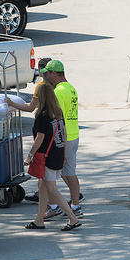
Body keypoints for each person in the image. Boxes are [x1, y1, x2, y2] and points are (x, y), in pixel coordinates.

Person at [23, 83, 81, 231]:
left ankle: (73, 218)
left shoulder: (42, 115)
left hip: (46, 157)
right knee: (42, 187)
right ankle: (39, 220)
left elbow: (40, 138)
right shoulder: (58, 112)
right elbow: (64, 134)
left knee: (52, 190)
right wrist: (64, 153)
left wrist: (29, 155)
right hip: (58, 154)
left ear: (41, 97)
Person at [40, 60, 84, 219]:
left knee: (51, 175)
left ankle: (55, 206)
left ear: (53, 73)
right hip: (74, 135)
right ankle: (75, 206)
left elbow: (57, 117)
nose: (46, 76)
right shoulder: (71, 88)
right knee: (69, 172)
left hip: (63, 138)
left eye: (47, 73)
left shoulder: (58, 92)